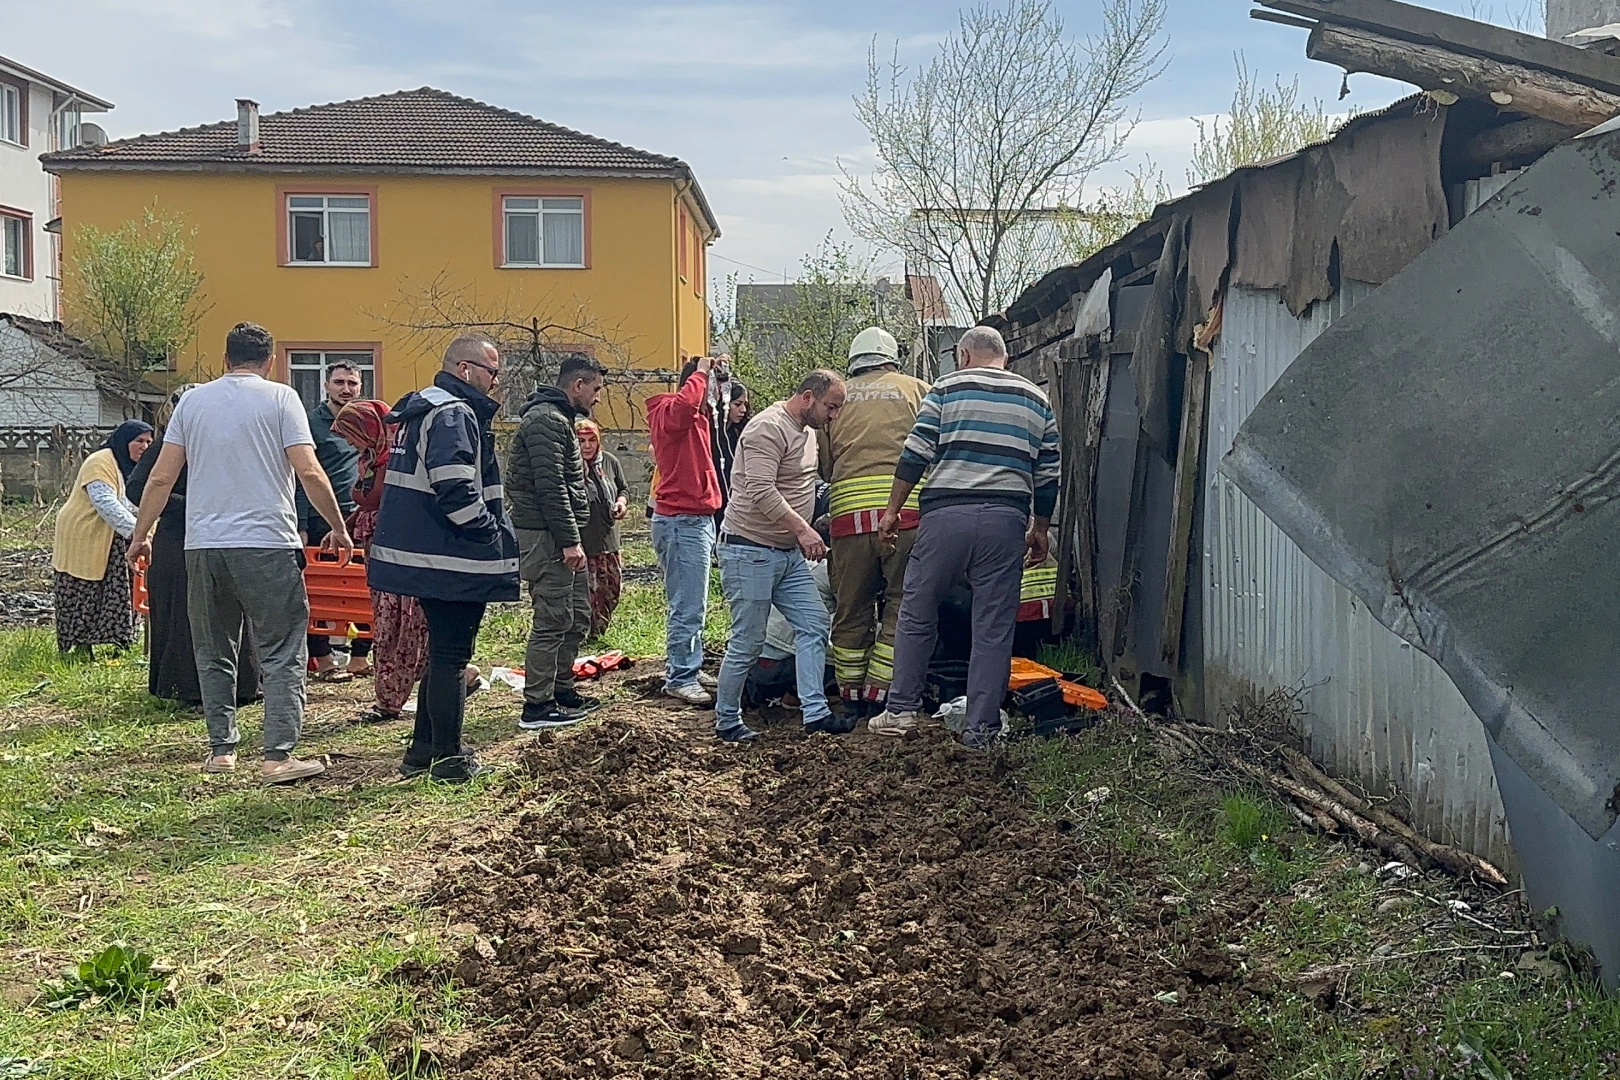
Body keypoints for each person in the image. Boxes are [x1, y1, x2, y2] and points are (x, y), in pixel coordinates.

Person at [127, 322, 354, 783]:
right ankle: (277, 756)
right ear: (270, 362)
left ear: (225, 359)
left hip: (205, 546)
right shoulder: (281, 398)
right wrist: (337, 526)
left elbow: (159, 478)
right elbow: (308, 470)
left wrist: (140, 533)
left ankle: (221, 751)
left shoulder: (192, 401)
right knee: (282, 651)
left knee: (213, 650)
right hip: (267, 541)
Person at [872, 325, 1061, 748]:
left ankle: (901, 710)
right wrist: (1041, 530)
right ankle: (981, 731)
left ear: (963, 354)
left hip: (945, 518)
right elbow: (1049, 474)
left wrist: (891, 511)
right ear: (1005, 359)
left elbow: (916, 452)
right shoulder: (1037, 399)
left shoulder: (946, 388)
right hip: (1006, 521)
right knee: (993, 628)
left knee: (918, 611)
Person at [367, 336, 520, 781]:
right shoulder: (454, 412)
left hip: (427, 554)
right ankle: (450, 760)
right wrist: (489, 532)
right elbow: (454, 485)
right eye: (493, 372)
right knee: (452, 656)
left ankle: (422, 752)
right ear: (466, 370)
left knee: (441, 655)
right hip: (452, 556)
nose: (496, 382)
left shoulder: (423, 410)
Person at [712, 369, 848, 742]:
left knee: (814, 624)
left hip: (786, 554)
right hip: (749, 549)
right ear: (808, 397)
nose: (832, 416)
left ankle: (815, 713)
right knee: (748, 640)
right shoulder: (767, 428)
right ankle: (727, 721)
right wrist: (804, 530)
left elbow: (804, 483)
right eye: (830, 407)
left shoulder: (807, 435)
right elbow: (759, 489)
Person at [128, 386, 261, 706]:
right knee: (184, 611)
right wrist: (190, 506)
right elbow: (140, 488)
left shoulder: (229, 441)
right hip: (181, 537)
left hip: (227, 534)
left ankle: (241, 685)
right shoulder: (169, 445)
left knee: (231, 609)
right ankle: (187, 687)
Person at [823, 326, 929, 714]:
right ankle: (881, 693)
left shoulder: (836, 397)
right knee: (903, 604)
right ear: (891, 359)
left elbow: (824, 463)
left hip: (847, 522)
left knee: (851, 608)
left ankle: (849, 696)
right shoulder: (918, 389)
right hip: (906, 517)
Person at [505, 355, 607, 729]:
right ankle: (537, 705)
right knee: (552, 618)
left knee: (576, 615)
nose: (597, 398)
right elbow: (552, 489)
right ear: (577, 386)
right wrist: (568, 541)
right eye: (595, 389)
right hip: (546, 537)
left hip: (561, 536)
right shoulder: (546, 421)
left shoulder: (558, 419)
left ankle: (561, 689)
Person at [646, 355, 726, 706]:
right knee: (687, 604)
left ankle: (688, 665)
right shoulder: (669, 410)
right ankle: (680, 675)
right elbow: (684, 408)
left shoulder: (699, 419)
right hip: (681, 521)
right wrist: (701, 372)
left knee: (695, 602)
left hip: (696, 519)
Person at [51, 420, 153, 655]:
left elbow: (133, 502)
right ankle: (80, 647)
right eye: (139, 441)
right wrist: (139, 533)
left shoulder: (132, 467)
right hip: (83, 533)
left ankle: (120, 641)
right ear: (124, 441)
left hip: (113, 535)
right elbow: (106, 502)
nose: (144, 446)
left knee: (119, 587)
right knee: (84, 588)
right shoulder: (100, 462)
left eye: (149, 441)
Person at [295, 362, 366, 681]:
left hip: (361, 517)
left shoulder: (368, 420)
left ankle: (360, 657)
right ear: (326, 386)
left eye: (352, 382)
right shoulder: (310, 423)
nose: (345, 388)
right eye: (339, 382)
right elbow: (299, 476)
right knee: (319, 591)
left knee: (366, 588)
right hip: (321, 519)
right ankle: (322, 659)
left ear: (360, 387)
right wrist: (300, 522)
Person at [744, 559, 836, 709]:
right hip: (776, 668)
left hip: (750, 664)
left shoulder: (799, 564)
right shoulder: (829, 570)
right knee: (850, 647)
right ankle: (796, 697)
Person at [575, 418, 629, 639]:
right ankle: (587, 635)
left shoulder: (609, 462)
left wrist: (622, 503)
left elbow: (623, 488)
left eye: (591, 440)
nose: (587, 446)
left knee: (612, 589)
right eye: (581, 441)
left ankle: (601, 632)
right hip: (584, 542)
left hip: (610, 540)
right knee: (589, 593)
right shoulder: (571, 465)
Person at [711, 377, 751, 527]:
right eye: (738, 404)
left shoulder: (740, 433)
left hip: (734, 500)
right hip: (714, 498)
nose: (743, 410)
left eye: (745, 405)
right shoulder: (710, 434)